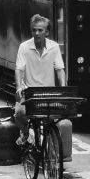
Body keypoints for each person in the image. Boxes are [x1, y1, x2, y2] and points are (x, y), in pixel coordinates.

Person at [14, 14, 66, 146]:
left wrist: (63, 87)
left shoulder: (54, 47)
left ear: (47, 32)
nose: (36, 33)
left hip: (48, 93)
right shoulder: (24, 47)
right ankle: (26, 133)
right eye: (34, 30)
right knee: (19, 114)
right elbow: (19, 69)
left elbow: (60, 69)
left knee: (57, 119)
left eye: (40, 30)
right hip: (28, 93)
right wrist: (19, 86)